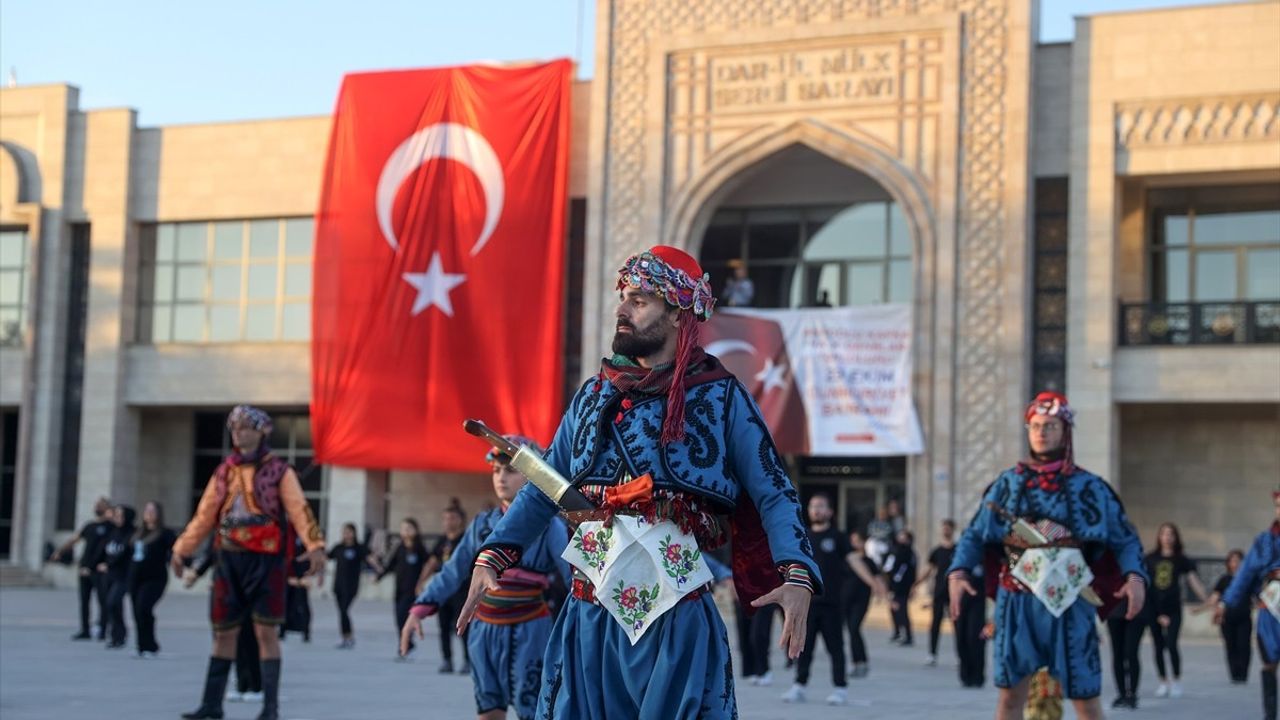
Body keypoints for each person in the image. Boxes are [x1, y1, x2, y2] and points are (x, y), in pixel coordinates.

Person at [453, 246, 821, 719]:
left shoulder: (721, 396)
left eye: (641, 300)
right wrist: (493, 555)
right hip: (587, 617)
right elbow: (544, 485)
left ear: (677, 314)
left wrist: (796, 575)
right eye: (623, 297)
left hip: (675, 622)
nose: (622, 309)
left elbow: (774, 490)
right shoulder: (592, 396)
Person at [948, 391, 1147, 720]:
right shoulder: (1007, 484)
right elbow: (974, 534)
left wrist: (1135, 577)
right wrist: (958, 573)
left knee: (1086, 701)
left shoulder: (1092, 487)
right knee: (1010, 700)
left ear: (1065, 431)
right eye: (1036, 425)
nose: (1042, 432)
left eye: (1051, 425)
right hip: (1016, 604)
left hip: (1072, 603)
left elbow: (1125, 539)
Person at [170, 405, 325, 720]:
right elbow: (204, 515)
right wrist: (181, 549)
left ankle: (270, 708)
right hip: (228, 559)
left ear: (262, 431)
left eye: (245, 426)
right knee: (223, 632)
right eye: (235, 427)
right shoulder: (224, 471)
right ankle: (212, 704)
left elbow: (299, 509)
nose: (239, 432)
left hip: (266, 562)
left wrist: (315, 545)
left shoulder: (280, 471)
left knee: (265, 633)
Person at [401, 436, 570, 720]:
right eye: (496, 470)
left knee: (534, 712)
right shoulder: (481, 524)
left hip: (532, 629)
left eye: (510, 469)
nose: (501, 477)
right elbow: (453, 571)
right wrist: (419, 609)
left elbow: (572, 575)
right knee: (489, 712)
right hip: (484, 631)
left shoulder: (550, 525)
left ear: (533, 472)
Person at [781, 494, 852, 705]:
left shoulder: (838, 537)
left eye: (821, 506)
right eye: (813, 506)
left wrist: (875, 581)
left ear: (830, 511)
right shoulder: (803, 537)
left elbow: (853, 560)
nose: (816, 510)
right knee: (804, 646)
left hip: (831, 604)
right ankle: (799, 685)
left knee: (835, 648)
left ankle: (840, 688)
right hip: (807, 604)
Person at [1218, 491, 1280, 720]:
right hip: (1271, 609)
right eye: (1278, 506)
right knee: (1270, 662)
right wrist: (1226, 603)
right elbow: (1245, 574)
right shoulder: (1264, 541)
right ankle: (1270, 715)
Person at [1145, 521, 1210, 698]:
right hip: (1154, 607)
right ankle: (1163, 681)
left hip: (1173, 607)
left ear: (1176, 537)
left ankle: (1176, 680)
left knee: (1172, 644)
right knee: (1158, 645)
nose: (1167, 537)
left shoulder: (1181, 559)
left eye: (1171, 534)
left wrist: (1207, 599)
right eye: (1164, 533)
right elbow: (1146, 584)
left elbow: (1193, 580)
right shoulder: (1150, 558)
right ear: (1159, 536)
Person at [50, 495, 113, 641]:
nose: (97, 507)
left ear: (107, 508)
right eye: (96, 504)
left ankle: (103, 630)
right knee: (84, 601)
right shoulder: (89, 526)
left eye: (101, 504)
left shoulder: (111, 527)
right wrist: (60, 551)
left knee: (103, 600)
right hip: (84, 568)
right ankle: (85, 629)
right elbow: (74, 540)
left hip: (99, 569)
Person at [373, 517, 431, 660]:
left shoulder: (420, 548)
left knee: (405, 619)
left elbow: (429, 564)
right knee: (398, 619)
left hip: (413, 591)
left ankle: (404, 647)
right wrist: (379, 576)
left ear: (416, 530)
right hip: (399, 589)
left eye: (409, 528)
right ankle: (407, 644)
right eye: (403, 528)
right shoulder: (399, 548)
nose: (406, 531)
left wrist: (423, 583)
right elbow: (390, 565)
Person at [423, 501, 471, 673]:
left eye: (452, 518)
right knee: (443, 627)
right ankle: (447, 660)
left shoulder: (467, 540)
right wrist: (421, 582)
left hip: (462, 592)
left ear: (460, 520)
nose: (448, 522)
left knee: (464, 627)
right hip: (444, 593)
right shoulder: (442, 541)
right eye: (445, 518)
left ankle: (468, 661)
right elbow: (432, 562)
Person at [128, 500, 175, 657]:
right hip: (135, 578)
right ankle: (141, 646)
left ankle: (150, 645)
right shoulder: (137, 533)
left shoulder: (165, 533)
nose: (149, 514)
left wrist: (186, 564)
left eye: (152, 511)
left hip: (155, 578)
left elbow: (176, 551)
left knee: (144, 607)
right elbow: (126, 554)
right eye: (147, 510)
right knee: (137, 612)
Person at [1199, 549, 1251, 684]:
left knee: (1244, 645)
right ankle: (1234, 674)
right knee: (1231, 646)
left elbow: (1258, 597)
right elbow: (1214, 598)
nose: (1236, 564)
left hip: (1244, 617)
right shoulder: (1224, 579)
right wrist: (1201, 609)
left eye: (1238, 561)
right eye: (1233, 561)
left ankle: (1243, 674)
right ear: (1228, 563)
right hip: (1227, 619)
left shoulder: (1248, 579)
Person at [914, 518, 957, 666]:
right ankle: (932, 653)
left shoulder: (957, 550)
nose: (946, 530)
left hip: (954, 592)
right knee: (935, 623)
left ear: (952, 530)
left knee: (957, 624)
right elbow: (929, 569)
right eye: (944, 528)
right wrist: (917, 583)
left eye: (948, 528)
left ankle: (960, 655)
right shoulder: (937, 551)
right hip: (939, 590)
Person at [843, 530, 886, 680]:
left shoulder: (869, 561)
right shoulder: (846, 559)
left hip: (861, 600)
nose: (854, 543)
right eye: (852, 540)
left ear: (862, 542)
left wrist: (885, 595)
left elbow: (878, 578)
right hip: (845, 600)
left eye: (856, 540)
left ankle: (861, 662)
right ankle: (857, 662)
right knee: (850, 630)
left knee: (854, 628)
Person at [328, 522, 372, 649]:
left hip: (352, 585)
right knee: (342, 612)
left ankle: (349, 637)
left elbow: (370, 558)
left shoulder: (359, 548)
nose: (347, 534)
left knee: (344, 610)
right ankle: (346, 637)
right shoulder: (338, 548)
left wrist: (380, 570)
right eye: (344, 532)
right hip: (338, 585)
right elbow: (327, 557)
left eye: (349, 532)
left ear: (354, 533)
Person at [99, 504, 136, 649]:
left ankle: (121, 632)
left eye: (120, 515)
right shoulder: (113, 532)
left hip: (123, 575)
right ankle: (115, 635)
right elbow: (104, 549)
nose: (117, 518)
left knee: (112, 602)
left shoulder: (132, 533)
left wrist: (110, 564)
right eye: (116, 515)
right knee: (111, 606)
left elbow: (125, 553)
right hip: (109, 575)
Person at [953, 550, 987, 688]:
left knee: (975, 637)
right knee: (961, 637)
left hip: (978, 602)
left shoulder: (985, 559)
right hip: (960, 603)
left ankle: (977, 675)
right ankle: (965, 675)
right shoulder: (959, 561)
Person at [883, 529, 918, 646]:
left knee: (902, 609)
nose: (900, 538)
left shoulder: (908, 553)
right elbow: (888, 566)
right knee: (893, 608)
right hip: (893, 584)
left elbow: (909, 571)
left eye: (903, 536)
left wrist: (912, 586)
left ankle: (908, 635)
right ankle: (897, 631)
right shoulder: (894, 550)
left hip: (902, 586)